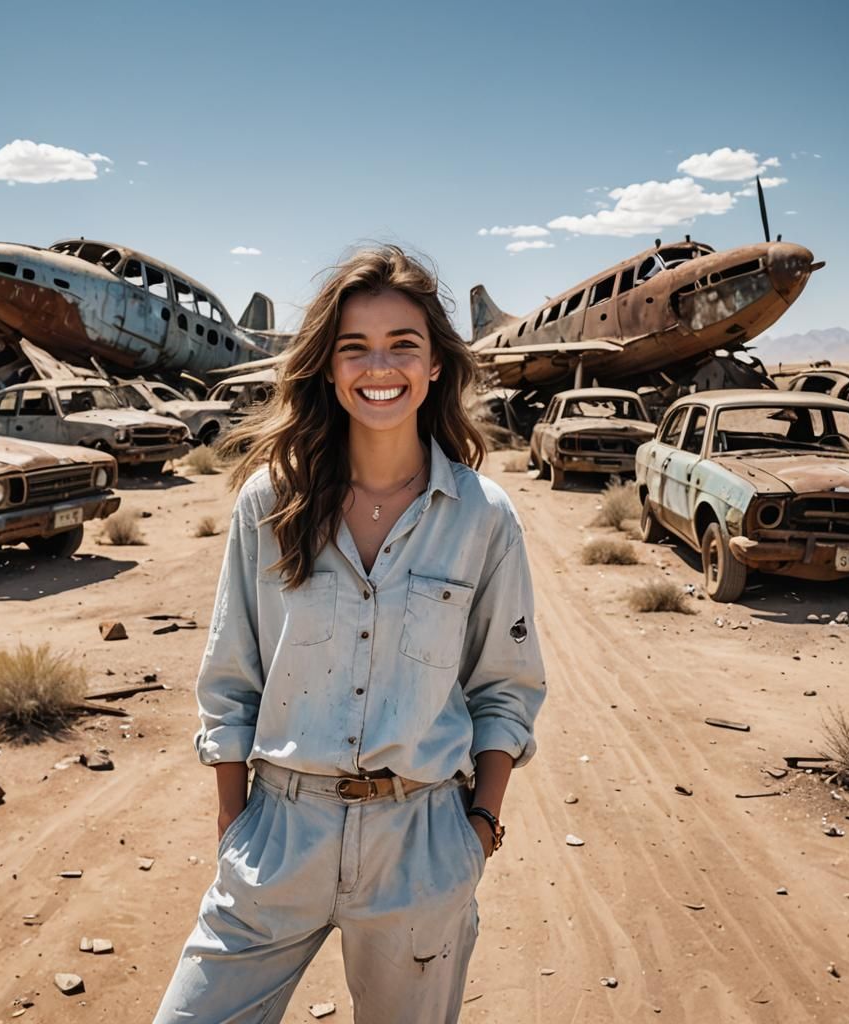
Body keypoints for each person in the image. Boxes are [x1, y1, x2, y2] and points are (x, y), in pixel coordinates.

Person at [153, 246, 546, 1024]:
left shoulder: (483, 517)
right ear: (328, 370)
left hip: (422, 843)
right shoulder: (269, 502)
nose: (381, 366)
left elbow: (505, 686)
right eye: (355, 347)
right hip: (278, 837)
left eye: (404, 344)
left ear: (436, 366)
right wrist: (235, 827)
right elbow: (231, 681)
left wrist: (479, 829)